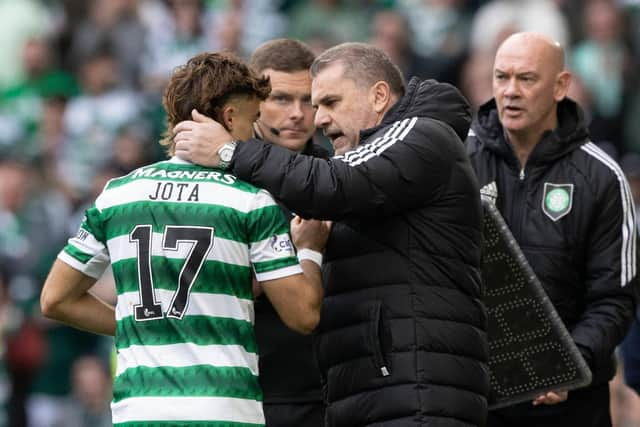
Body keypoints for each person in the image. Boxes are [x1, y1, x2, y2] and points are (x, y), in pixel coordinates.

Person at [173, 42, 489, 427]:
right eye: (284, 99)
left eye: (325, 102)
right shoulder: (348, 168)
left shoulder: (416, 136)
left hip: (411, 395)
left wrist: (230, 153)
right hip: (351, 394)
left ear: (378, 95)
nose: (312, 117)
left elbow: (336, 185)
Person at [39, 51, 328, 427]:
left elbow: (55, 299)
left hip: (138, 409)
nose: (253, 135)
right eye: (252, 119)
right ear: (229, 118)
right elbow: (303, 315)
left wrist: (143, 325)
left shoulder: (117, 195)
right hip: (224, 408)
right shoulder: (249, 201)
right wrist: (309, 248)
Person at [466, 32, 637, 427]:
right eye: (501, 77)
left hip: (569, 406)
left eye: (526, 79)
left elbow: (615, 299)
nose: (510, 91)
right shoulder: (458, 162)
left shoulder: (601, 178)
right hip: (475, 399)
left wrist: (569, 364)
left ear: (561, 85)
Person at [248, 38, 328, 427]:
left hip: (331, 393)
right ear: (253, 102)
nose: (297, 113)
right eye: (280, 98)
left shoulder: (343, 177)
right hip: (251, 393)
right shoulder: (226, 183)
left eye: (308, 100)